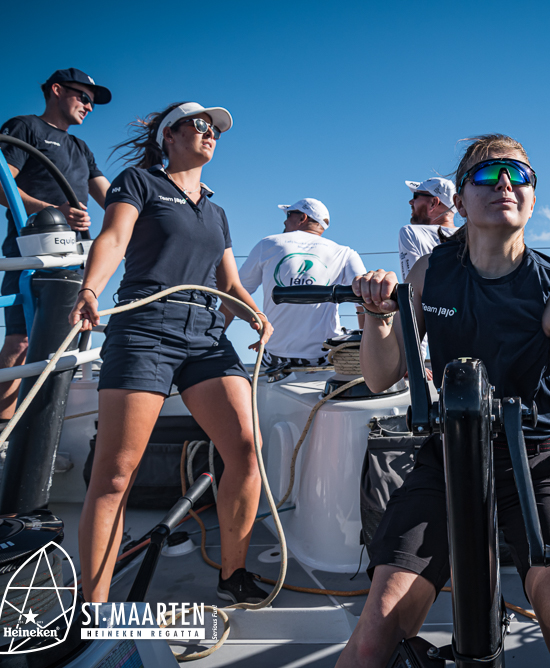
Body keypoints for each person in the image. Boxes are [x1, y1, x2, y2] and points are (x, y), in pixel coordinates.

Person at [338, 135, 550, 668]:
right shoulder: (431, 273)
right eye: (486, 174)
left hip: (538, 465)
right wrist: (378, 314)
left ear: (533, 197)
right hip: (445, 463)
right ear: (462, 197)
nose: (504, 184)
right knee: (373, 639)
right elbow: (382, 379)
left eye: (519, 175)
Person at [69, 102, 273, 604]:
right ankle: (92, 607)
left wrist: (253, 312)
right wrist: (91, 289)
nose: (210, 135)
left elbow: (227, 279)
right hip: (146, 328)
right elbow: (114, 238)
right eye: (199, 126)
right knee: (116, 474)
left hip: (206, 334)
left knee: (246, 450)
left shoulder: (215, 208)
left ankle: (233, 575)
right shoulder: (138, 183)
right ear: (169, 136)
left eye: (215, 131)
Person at [0, 68, 112, 424]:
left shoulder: (81, 148)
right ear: (57, 90)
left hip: (76, 261)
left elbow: (113, 199)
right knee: (20, 342)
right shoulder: (25, 128)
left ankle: (44, 430)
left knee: (67, 343)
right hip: (32, 255)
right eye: (83, 97)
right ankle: (0, 435)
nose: (89, 106)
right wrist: (54, 211)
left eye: (92, 101)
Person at [231, 198, 366, 372]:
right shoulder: (345, 252)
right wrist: (368, 351)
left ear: (302, 218)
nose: (284, 221)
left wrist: (216, 338)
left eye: (288, 214)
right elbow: (364, 299)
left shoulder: (269, 243)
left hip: (274, 359)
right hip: (327, 358)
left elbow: (234, 292)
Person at [399, 177, 457, 280]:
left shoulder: (410, 232)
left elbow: (411, 290)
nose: (411, 202)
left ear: (433, 203)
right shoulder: (471, 234)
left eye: (416, 196)